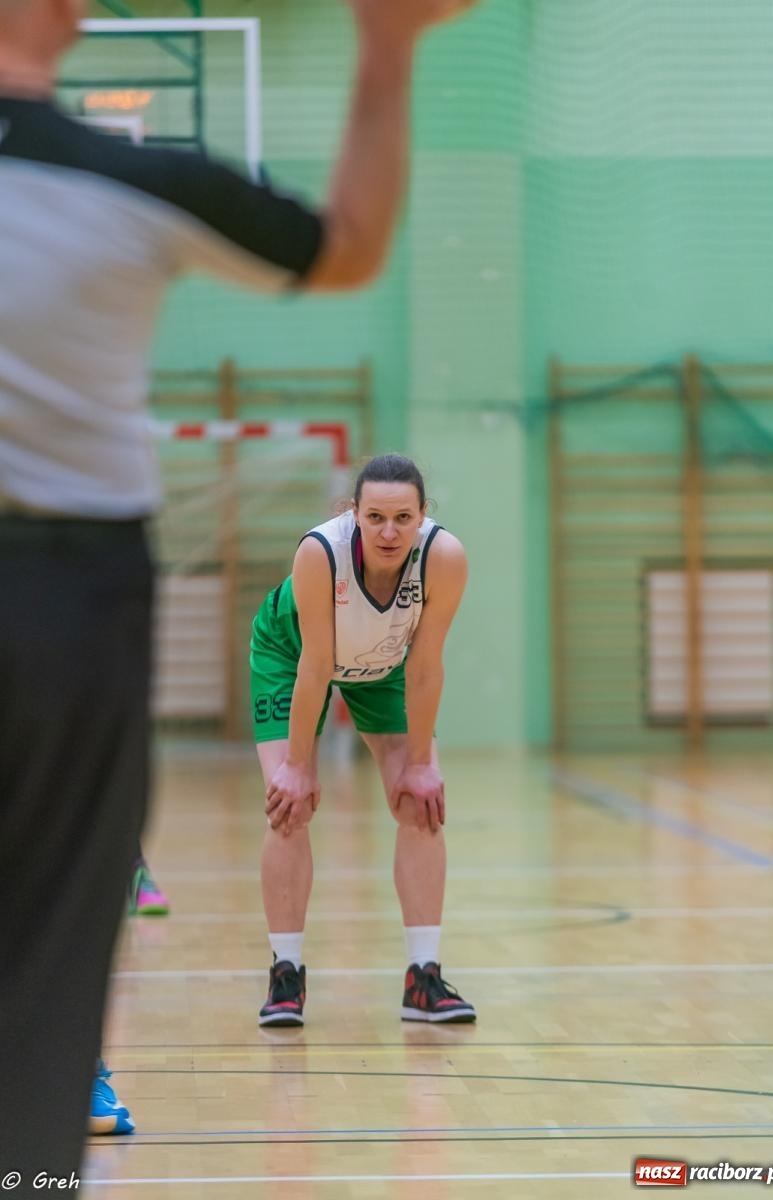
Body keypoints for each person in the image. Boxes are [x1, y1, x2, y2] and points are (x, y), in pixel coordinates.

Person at [0, 0, 478, 1184]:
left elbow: (420, 666)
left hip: (86, 593)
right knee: (59, 919)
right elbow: (352, 240)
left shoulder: (436, 558)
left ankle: (410, 963)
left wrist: (403, 752)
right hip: (68, 593)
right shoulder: (129, 179)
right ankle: (35, 1158)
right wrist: (385, 45)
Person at [250, 454, 476, 1027]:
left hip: (386, 662)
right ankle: (286, 973)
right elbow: (316, 665)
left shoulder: (443, 558)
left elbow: (426, 667)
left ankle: (424, 978)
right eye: (374, 516)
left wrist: (421, 763)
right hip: (293, 655)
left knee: (419, 803)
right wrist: (300, 766)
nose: (389, 531)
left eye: (403, 517)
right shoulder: (319, 554)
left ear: (424, 515)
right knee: (288, 807)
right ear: (353, 513)